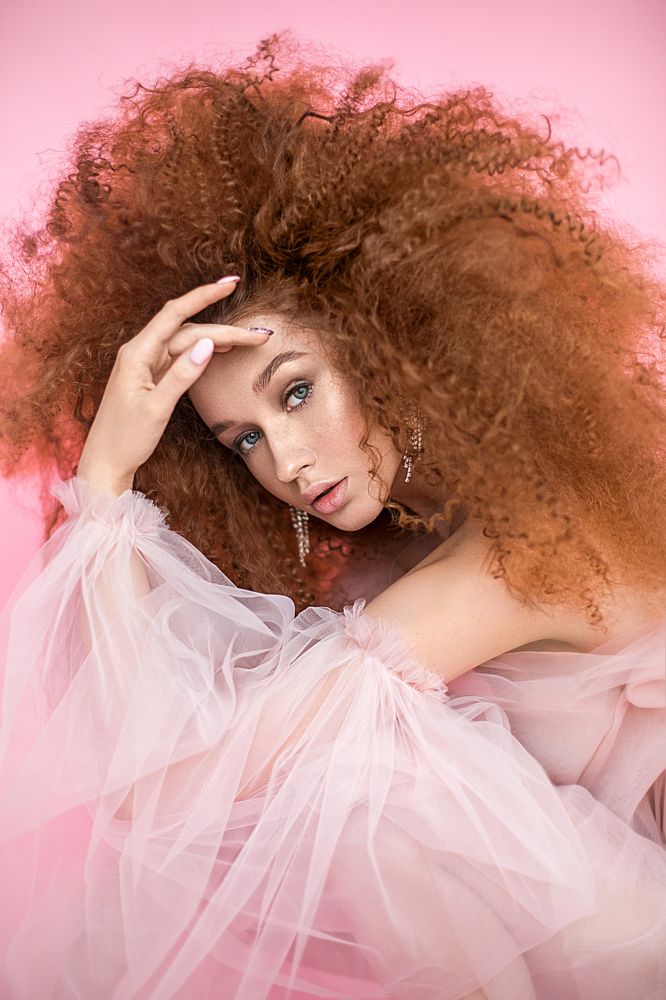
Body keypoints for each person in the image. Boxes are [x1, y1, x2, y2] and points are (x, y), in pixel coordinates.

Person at [0, 31, 665, 999]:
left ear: (387, 337)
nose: (286, 462)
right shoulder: (402, 537)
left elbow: (170, 790)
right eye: (244, 439)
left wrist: (106, 479)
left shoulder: (526, 542)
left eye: (298, 391)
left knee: (359, 778)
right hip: (605, 910)